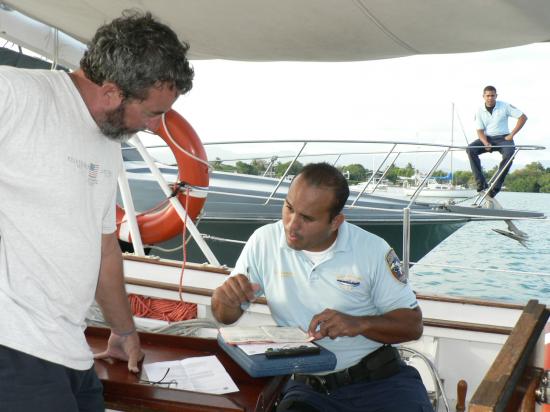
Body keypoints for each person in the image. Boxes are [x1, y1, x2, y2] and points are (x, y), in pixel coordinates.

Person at [0, 11, 194, 411]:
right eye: (153, 112)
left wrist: (124, 330)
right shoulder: (16, 94)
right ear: (111, 92)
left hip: (70, 349)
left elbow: (105, 250)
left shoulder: (107, 142)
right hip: (13, 347)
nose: (156, 126)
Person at [212, 163, 433, 412]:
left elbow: (412, 325)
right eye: (289, 208)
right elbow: (225, 316)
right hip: (308, 389)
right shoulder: (263, 242)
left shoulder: (372, 250)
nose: (291, 225)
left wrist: (359, 324)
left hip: (381, 383)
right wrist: (225, 300)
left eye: (306, 218)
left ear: (335, 221)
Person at [467, 85, 527, 198]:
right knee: (470, 149)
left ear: (496, 96)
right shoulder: (479, 111)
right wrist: (485, 143)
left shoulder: (504, 106)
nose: (490, 98)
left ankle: (494, 188)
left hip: (504, 138)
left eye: (492, 95)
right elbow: (479, 131)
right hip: (487, 138)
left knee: (509, 154)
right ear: (483, 96)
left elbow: (523, 117)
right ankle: (481, 183)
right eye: (488, 96)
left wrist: (512, 134)